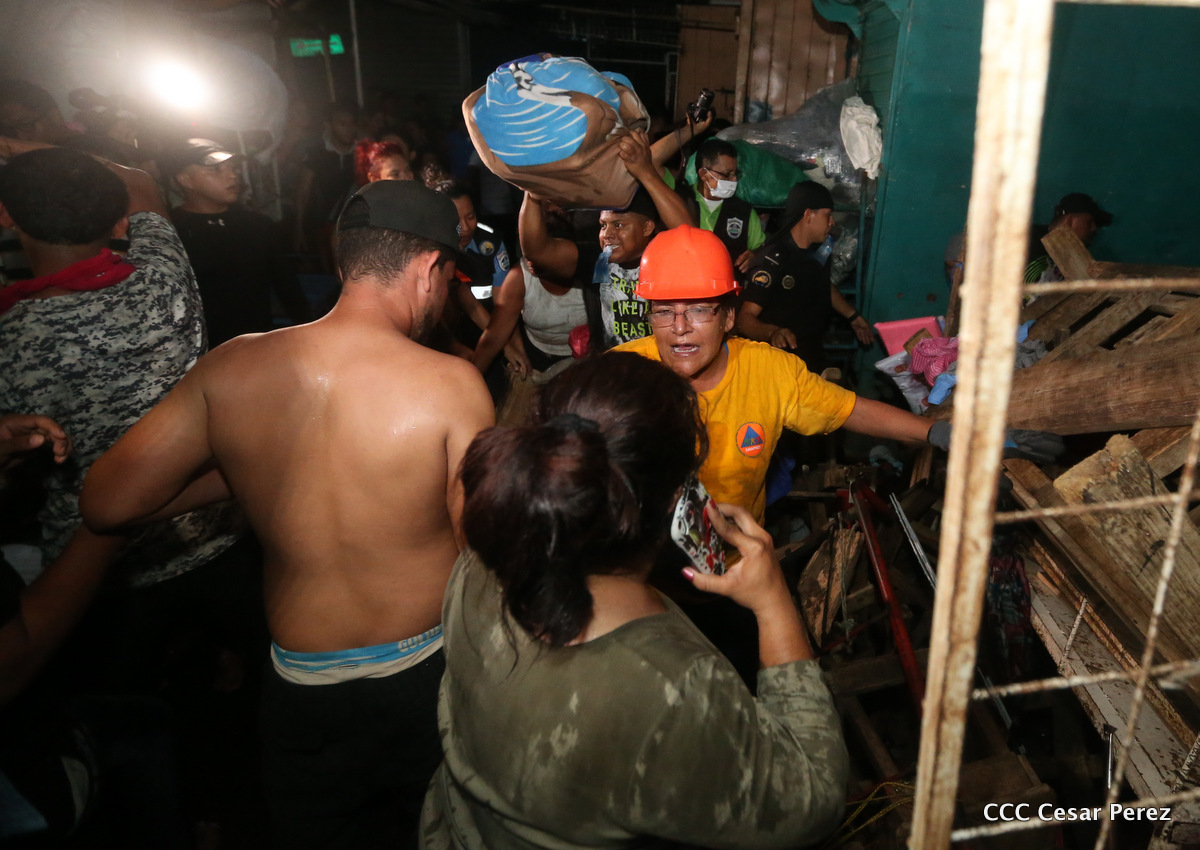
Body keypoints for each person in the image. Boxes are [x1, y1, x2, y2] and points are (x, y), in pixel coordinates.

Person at [80, 179, 495, 849]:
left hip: (301, 686)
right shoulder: (450, 384)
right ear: (428, 269)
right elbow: (481, 548)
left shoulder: (233, 366)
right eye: (450, 277)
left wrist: (247, 469)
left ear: (343, 261)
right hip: (423, 673)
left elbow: (107, 501)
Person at [421, 352, 849, 849]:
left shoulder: (482, 559)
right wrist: (773, 602)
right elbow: (814, 797)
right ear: (674, 503)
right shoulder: (673, 692)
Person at [617, 226, 949, 523]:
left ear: (728, 317)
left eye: (699, 310)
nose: (679, 328)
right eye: (664, 312)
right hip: (644, 562)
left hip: (740, 558)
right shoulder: (620, 375)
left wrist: (934, 431)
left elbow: (849, 410)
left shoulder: (768, 372)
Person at [519, 130, 694, 353]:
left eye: (618, 225)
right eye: (603, 225)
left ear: (647, 227)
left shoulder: (664, 259)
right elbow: (537, 252)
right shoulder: (599, 261)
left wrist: (645, 172)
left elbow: (688, 234)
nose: (607, 234)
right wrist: (532, 191)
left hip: (657, 369)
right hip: (610, 369)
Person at [166, 138, 312, 347]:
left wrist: (310, 337)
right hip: (201, 355)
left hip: (255, 349)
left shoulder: (257, 225)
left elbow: (288, 289)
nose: (232, 175)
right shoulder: (170, 232)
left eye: (232, 168)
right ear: (186, 180)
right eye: (216, 169)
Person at [739, 182, 873, 374]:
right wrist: (772, 332)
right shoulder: (774, 260)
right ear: (808, 215)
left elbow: (822, 284)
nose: (832, 222)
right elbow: (745, 319)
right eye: (827, 215)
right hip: (779, 363)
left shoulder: (820, 251)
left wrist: (852, 316)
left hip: (811, 353)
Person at [677, 137, 766, 274]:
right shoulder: (680, 200)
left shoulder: (744, 212)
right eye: (726, 174)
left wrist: (754, 256)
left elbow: (762, 249)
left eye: (735, 173)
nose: (734, 180)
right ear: (704, 174)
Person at [1024, 192, 1112, 283]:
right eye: (1090, 222)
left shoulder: (1078, 261)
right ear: (1070, 219)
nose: (1094, 229)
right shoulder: (1026, 237)